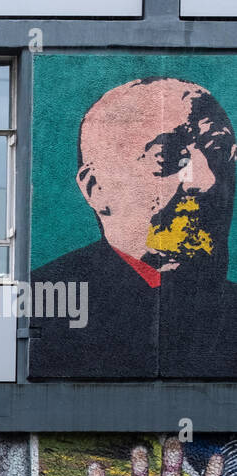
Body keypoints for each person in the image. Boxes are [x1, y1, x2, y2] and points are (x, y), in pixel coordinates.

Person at [29, 77, 237, 379]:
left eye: (219, 153)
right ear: (96, 187)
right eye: (167, 157)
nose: (206, 181)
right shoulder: (45, 302)